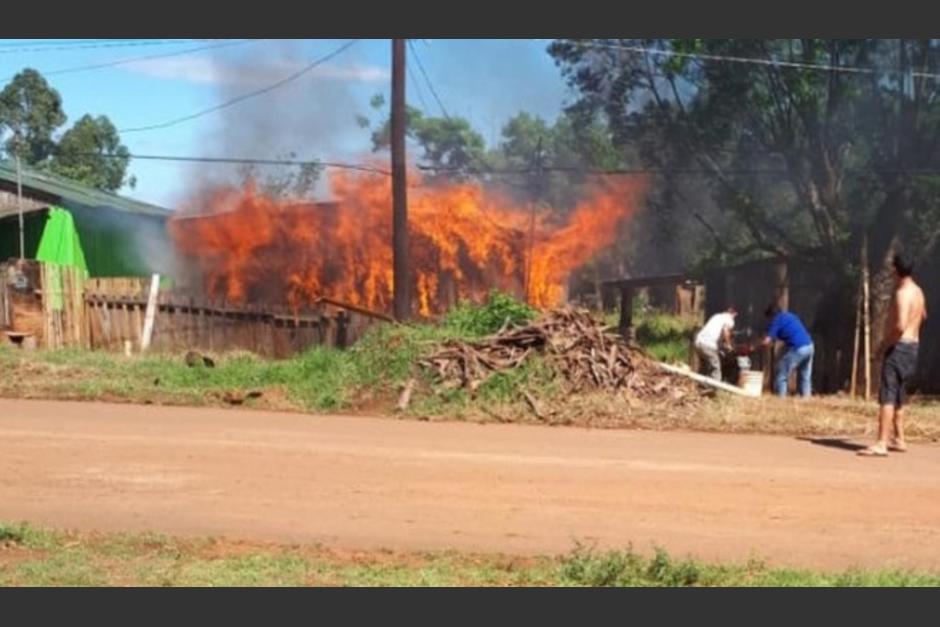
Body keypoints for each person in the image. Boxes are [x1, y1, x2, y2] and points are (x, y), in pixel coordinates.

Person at [859, 253, 927, 457]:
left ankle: (881, 443)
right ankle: (899, 438)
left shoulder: (902, 293)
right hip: (913, 345)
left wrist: (883, 345)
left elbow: (900, 325)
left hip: (900, 346)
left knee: (887, 394)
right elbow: (924, 315)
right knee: (898, 393)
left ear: (895, 270)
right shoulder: (918, 291)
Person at [761, 304, 814, 397]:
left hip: (799, 348)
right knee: (805, 376)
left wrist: (753, 347)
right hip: (810, 346)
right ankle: (806, 399)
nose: (769, 321)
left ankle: (781, 399)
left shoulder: (776, 320)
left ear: (771, 315)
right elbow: (788, 333)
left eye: (768, 319)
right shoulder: (790, 315)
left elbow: (767, 341)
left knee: (781, 374)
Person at [694, 307, 737, 381]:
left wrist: (721, 345)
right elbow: (726, 331)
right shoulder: (729, 319)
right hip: (707, 344)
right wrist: (728, 344)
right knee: (716, 367)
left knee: (704, 367)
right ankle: (714, 388)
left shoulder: (717, 316)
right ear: (734, 314)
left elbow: (716, 334)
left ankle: (700, 386)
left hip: (698, 343)